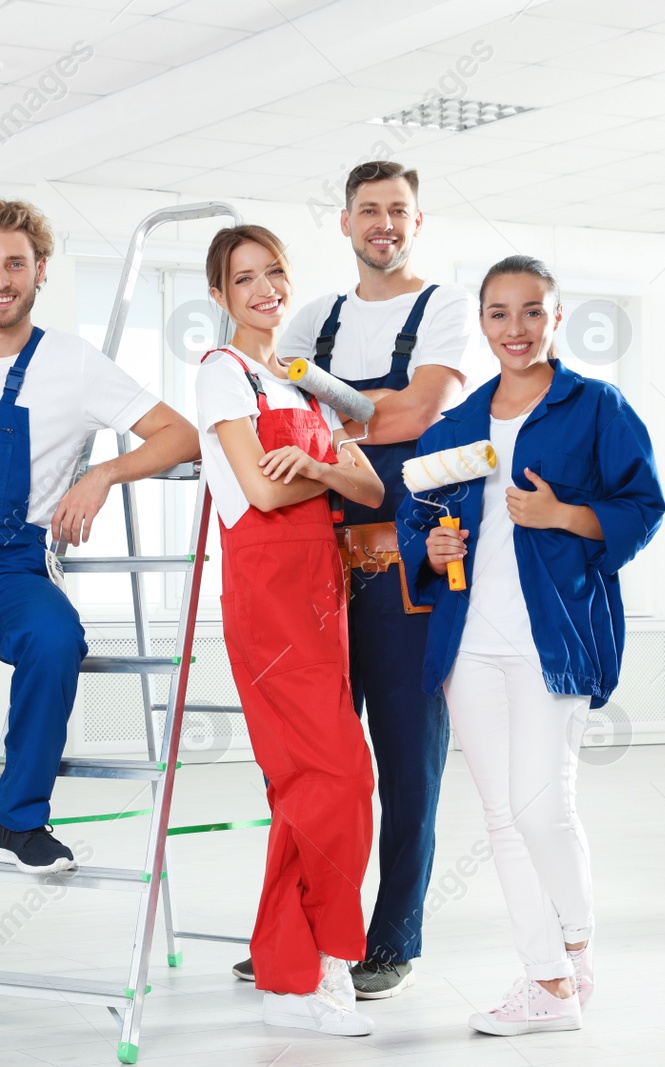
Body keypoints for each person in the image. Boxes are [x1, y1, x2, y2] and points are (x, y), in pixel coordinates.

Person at [0, 198, 200, 1027]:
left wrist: (103, 476)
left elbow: (181, 434)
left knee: (57, 636)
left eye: (16, 264)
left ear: (41, 271)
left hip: (10, 566)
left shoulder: (75, 366)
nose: (1, 279)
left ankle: (21, 815)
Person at [399, 255, 664, 1035]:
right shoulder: (460, 421)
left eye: (531, 312)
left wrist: (564, 516)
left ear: (554, 317)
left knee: (542, 806)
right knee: (502, 816)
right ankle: (546, 983)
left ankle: (577, 940)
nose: (515, 329)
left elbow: (643, 505)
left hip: (556, 635)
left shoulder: (597, 407)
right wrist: (430, 551)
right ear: (482, 322)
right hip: (470, 642)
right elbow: (419, 513)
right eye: (498, 313)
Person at [235, 160, 471, 998]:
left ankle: (391, 935)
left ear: (417, 220)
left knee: (408, 763)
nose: (384, 223)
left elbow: (415, 415)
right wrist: (368, 408)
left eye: (398, 210)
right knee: (310, 764)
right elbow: (273, 419)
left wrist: (330, 410)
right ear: (343, 223)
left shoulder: (442, 308)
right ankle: (297, 925)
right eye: (368, 209)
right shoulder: (309, 319)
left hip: (402, 570)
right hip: (314, 574)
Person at [195, 225, 383, 1035]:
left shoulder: (303, 383)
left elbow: (369, 486)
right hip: (269, 603)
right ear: (220, 296)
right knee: (341, 777)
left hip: (325, 598)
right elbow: (260, 496)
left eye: (275, 272)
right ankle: (329, 962)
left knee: (307, 789)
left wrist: (310, 464)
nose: (265, 289)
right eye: (245, 279)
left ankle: (290, 973)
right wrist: (319, 474)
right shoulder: (221, 374)